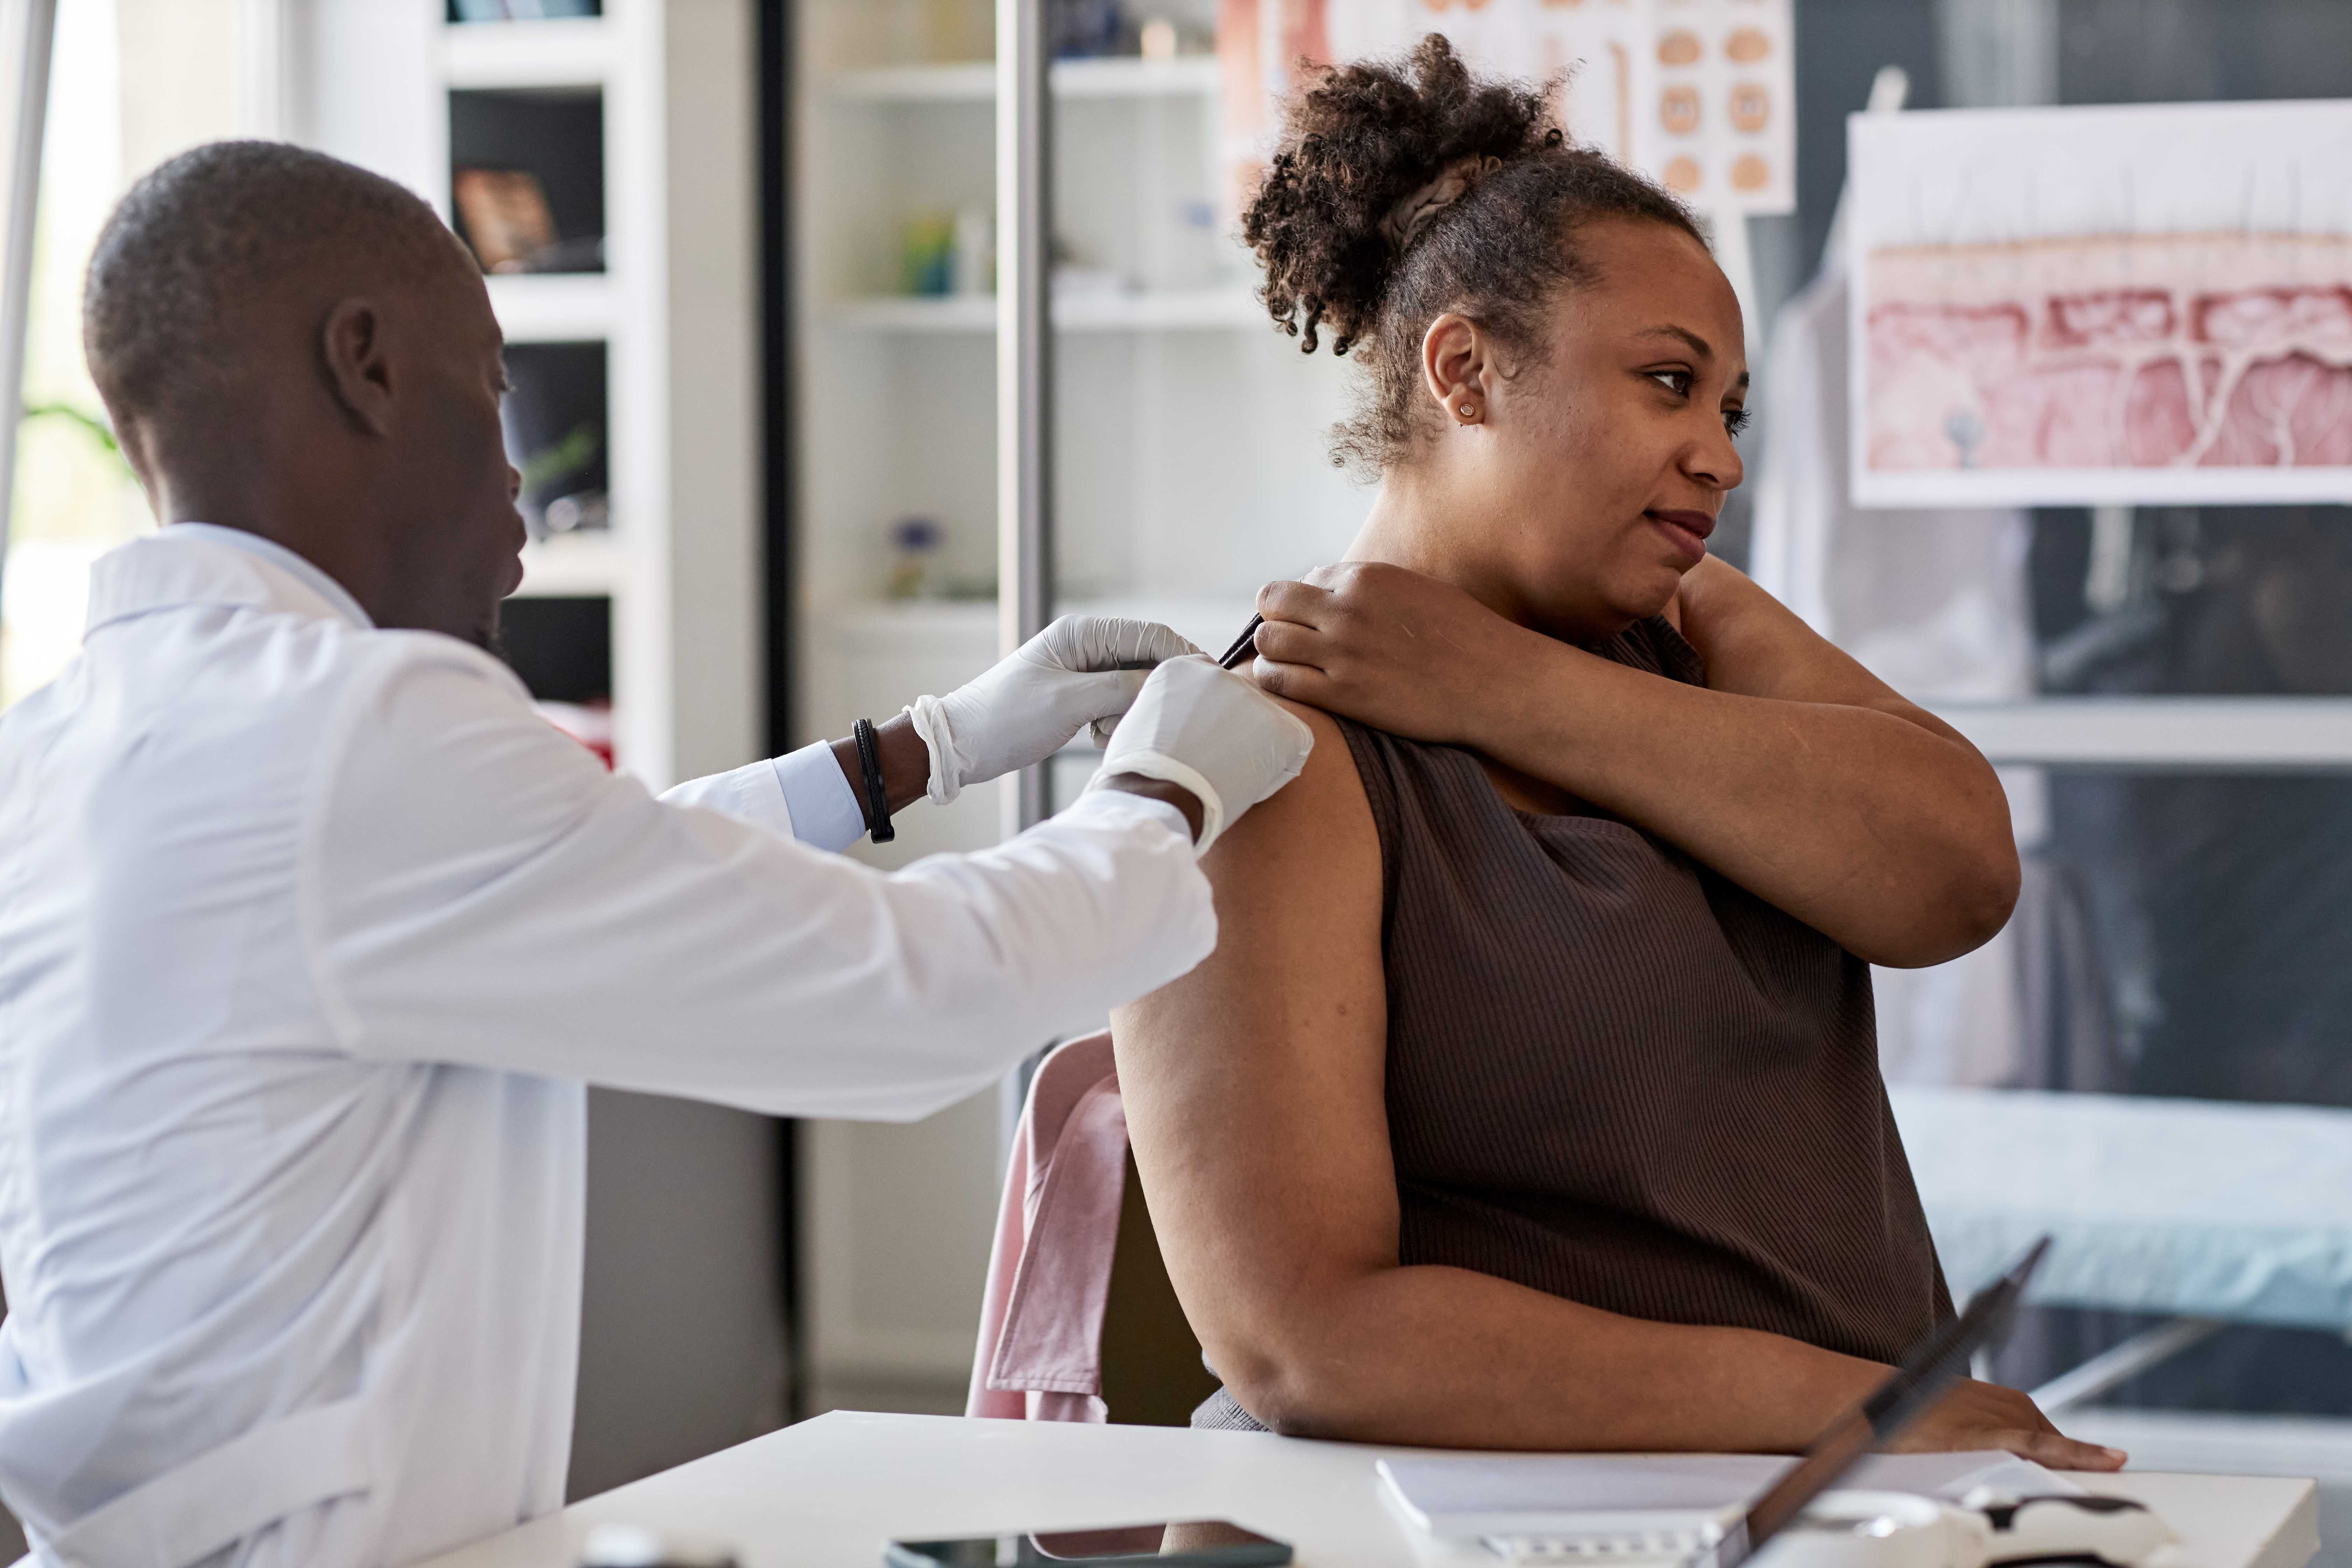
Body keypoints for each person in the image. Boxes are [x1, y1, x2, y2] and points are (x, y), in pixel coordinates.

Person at [0, 141, 1310, 1568]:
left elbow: (571, 876)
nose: (517, 471)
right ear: (365, 366)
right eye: (488, 387)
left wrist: (920, 751)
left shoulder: (65, 743)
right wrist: (1162, 797)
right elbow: (919, 996)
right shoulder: (351, 730)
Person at [1112, 38, 2123, 1469]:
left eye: (1731, 409)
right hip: (1495, 1520)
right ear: (1465, 371)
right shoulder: (1270, 746)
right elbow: (1304, 1340)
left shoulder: (1686, 635)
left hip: (1837, 1492)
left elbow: (1958, 877)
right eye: (1669, 384)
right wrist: (1853, 1414)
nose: (1723, 456)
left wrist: (1515, 685)